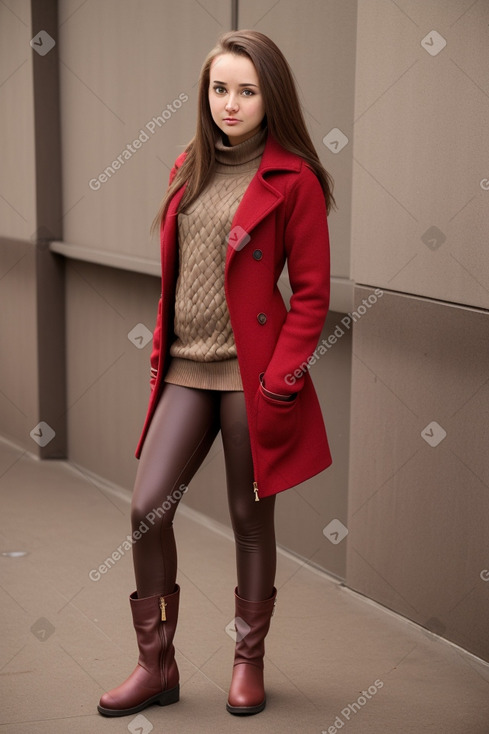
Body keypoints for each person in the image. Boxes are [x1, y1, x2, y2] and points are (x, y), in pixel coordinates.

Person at [97, 28, 334, 719]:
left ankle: (247, 663)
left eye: (247, 90)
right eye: (219, 88)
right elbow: (180, 272)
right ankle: (156, 665)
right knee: (147, 511)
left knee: (247, 520)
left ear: (271, 96)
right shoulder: (187, 165)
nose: (230, 103)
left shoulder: (295, 181)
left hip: (253, 379)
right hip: (184, 369)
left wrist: (279, 380)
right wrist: (164, 349)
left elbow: (313, 295)